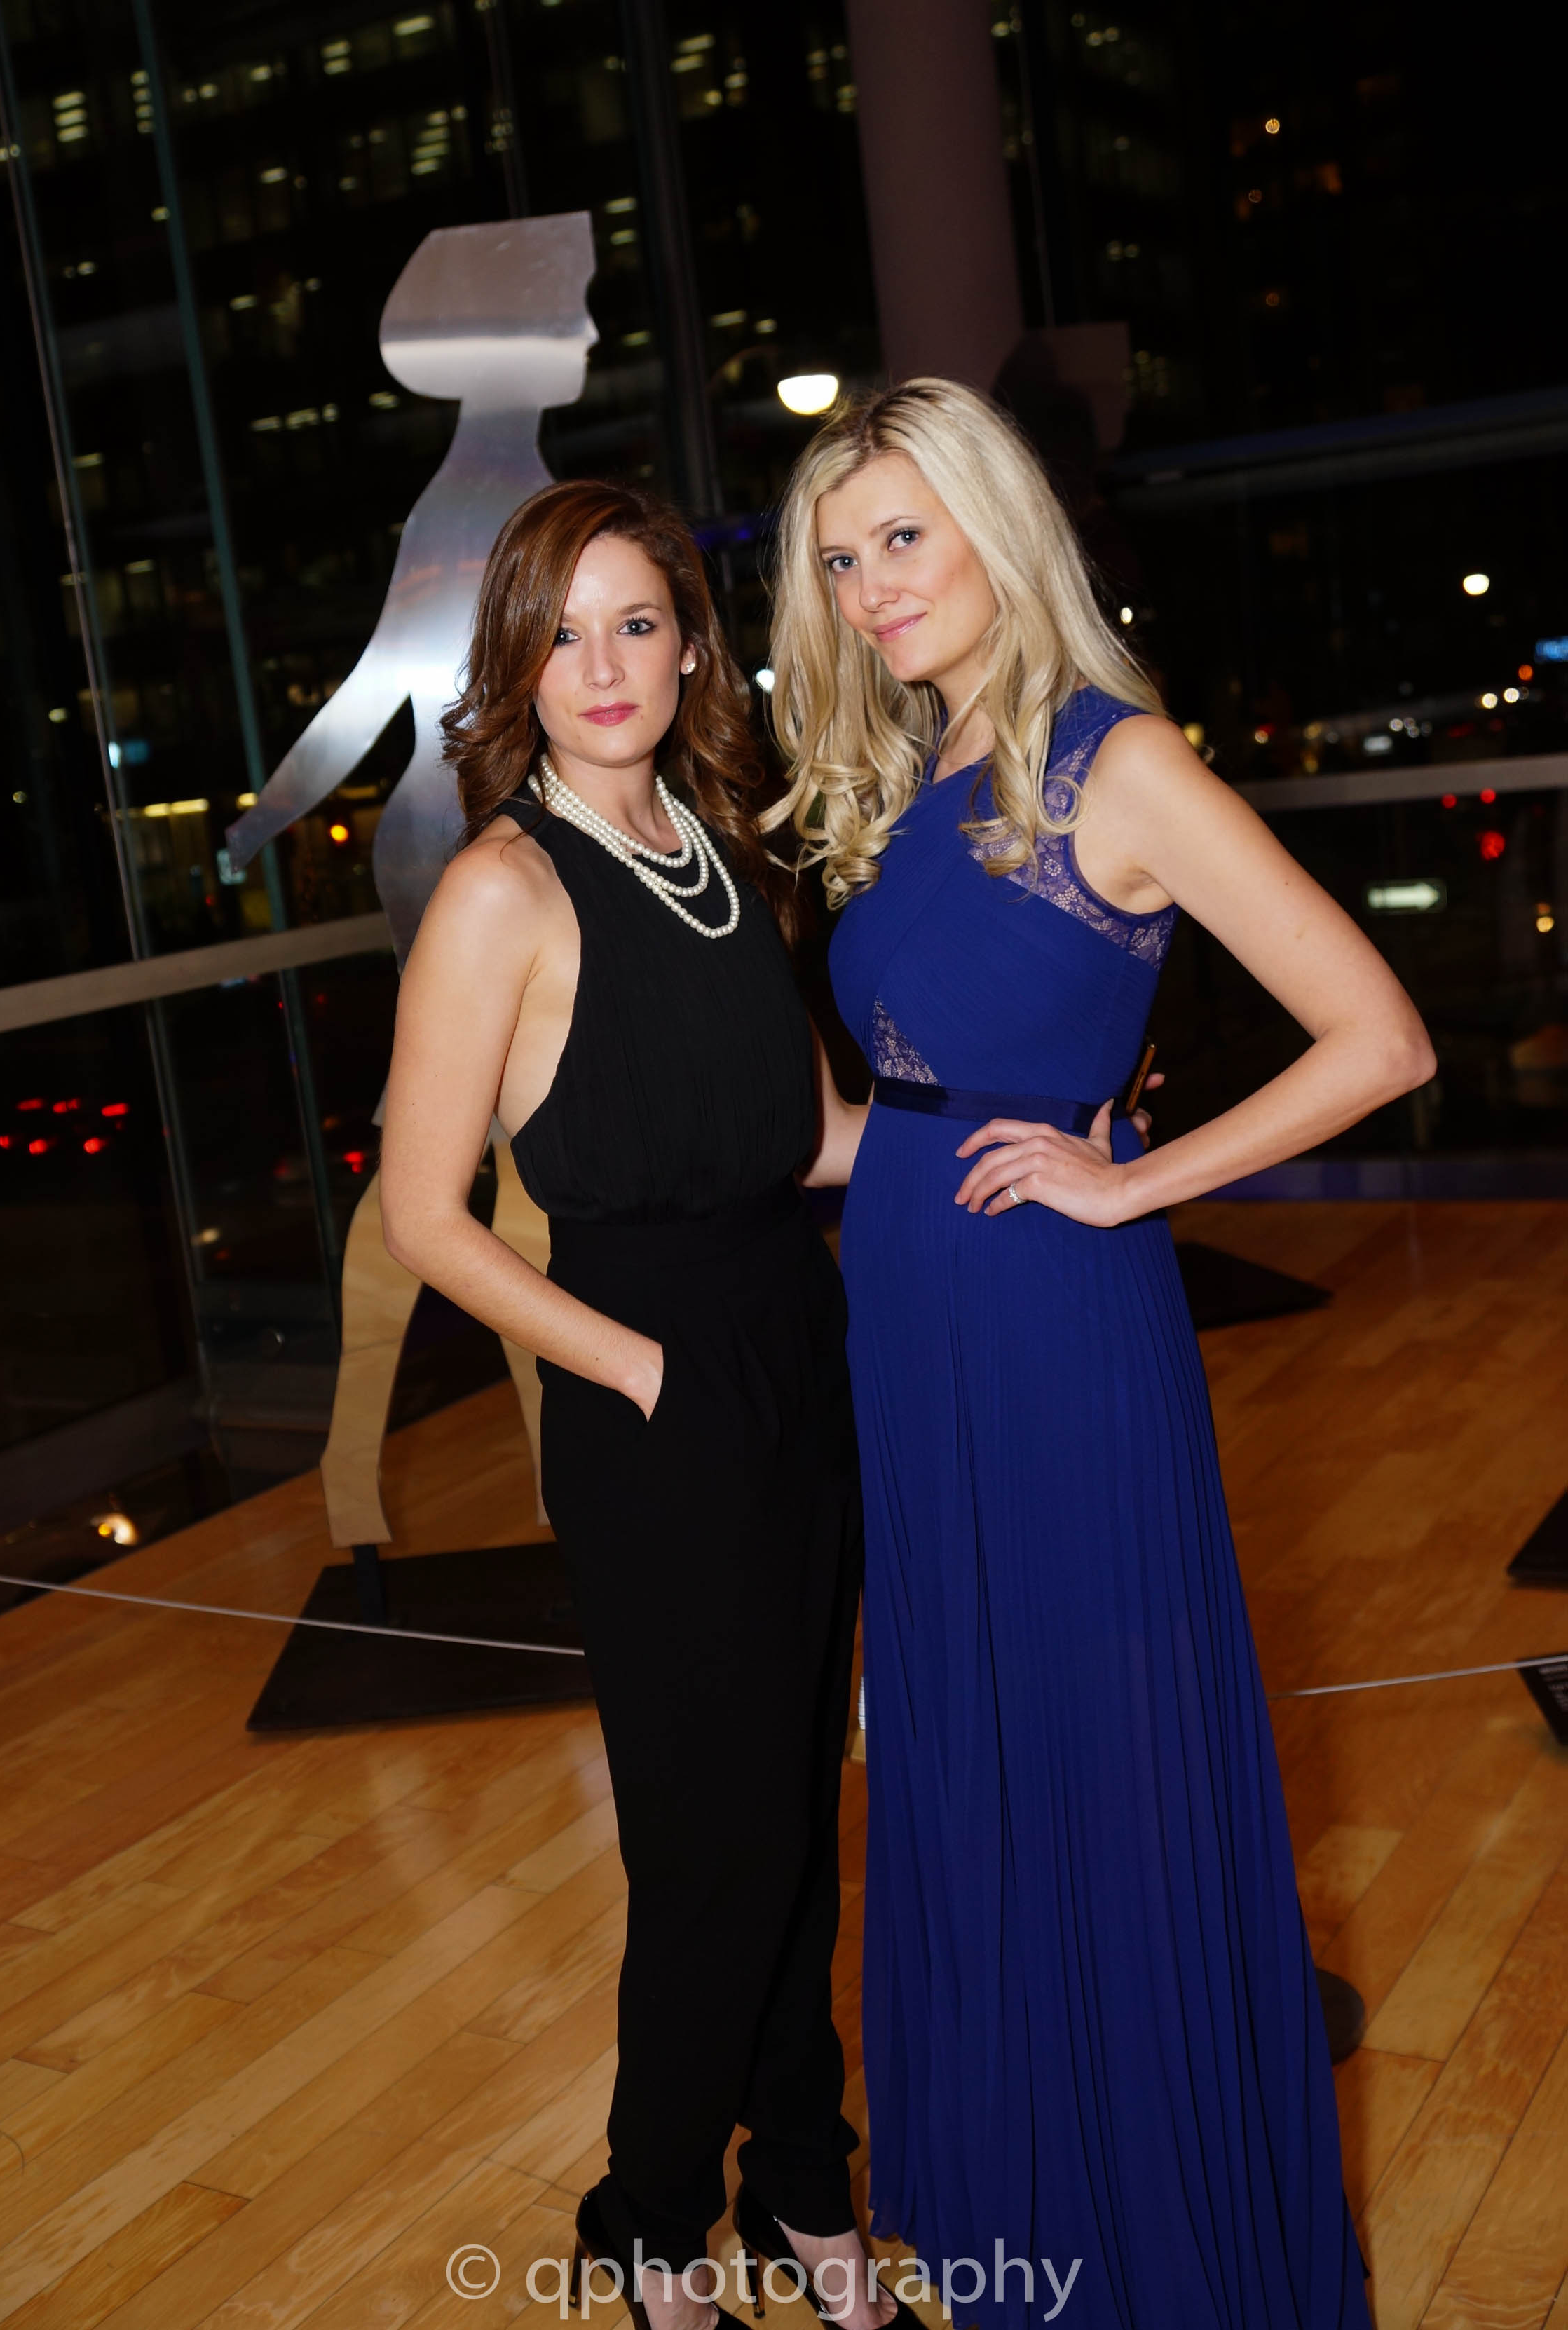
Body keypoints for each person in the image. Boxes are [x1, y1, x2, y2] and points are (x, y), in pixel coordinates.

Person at [765, 379, 1433, 2330]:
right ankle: (1030, 2231)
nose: (871, 587)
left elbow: (1379, 1036)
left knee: (1100, 1763)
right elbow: (902, 1094)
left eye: (903, 536)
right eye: (838, 559)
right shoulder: (916, 770)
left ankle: (1169, 2249)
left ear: (997, 525)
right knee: (970, 1759)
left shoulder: (1111, 760)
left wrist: (1136, 1181)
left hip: (1054, 1323)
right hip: (911, 1313)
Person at [377, 479, 899, 2330]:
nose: (602, 667)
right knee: (712, 1847)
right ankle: (654, 2215)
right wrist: (637, 1366)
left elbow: (811, 1134)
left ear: (690, 647)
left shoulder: (725, 849)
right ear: (517, 661)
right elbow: (422, 1215)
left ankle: (805, 2181)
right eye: (563, 632)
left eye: (637, 623)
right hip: (651, 1389)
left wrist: (1004, 1131)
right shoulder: (499, 891)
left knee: (796, 1813)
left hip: (797, 1352)